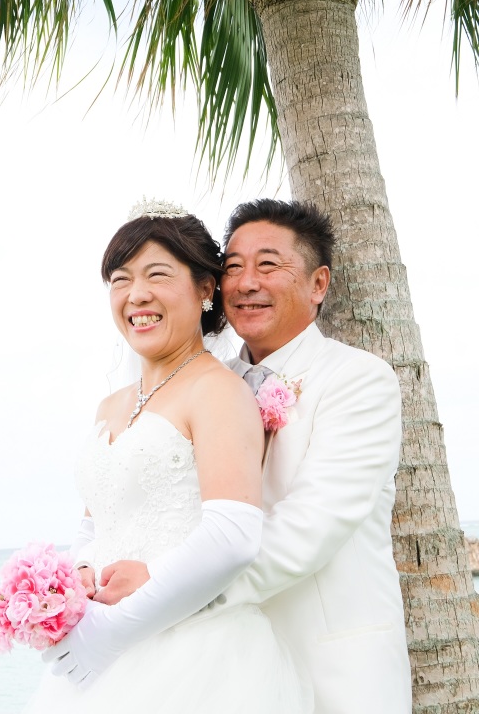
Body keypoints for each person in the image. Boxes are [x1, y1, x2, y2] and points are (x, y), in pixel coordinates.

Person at [98, 198, 412, 714]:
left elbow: (308, 530)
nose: (246, 283)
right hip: (217, 670)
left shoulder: (359, 380)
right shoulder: (203, 381)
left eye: (268, 265)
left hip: (333, 668)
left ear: (318, 284)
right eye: (234, 268)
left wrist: (169, 589)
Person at [23, 202, 310, 713]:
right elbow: (97, 524)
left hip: (193, 656)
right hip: (103, 655)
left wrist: (113, 631)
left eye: (158, 275)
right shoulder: (110, 405)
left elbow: (232, 536)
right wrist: (80, 572)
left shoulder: (218, 392)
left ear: (205, 289)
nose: (137, 295)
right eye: (121, 278)